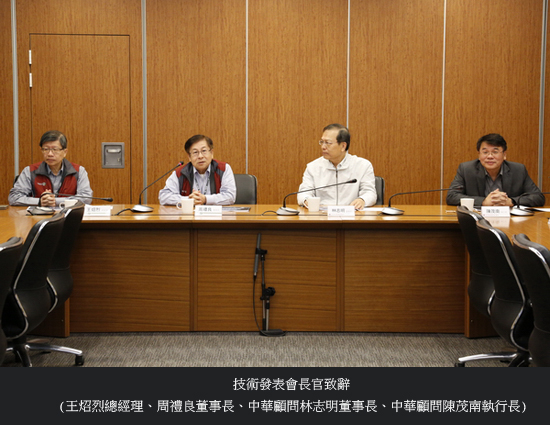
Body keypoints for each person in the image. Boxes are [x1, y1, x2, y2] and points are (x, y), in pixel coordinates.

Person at [446, 133, 545, 207]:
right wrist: (483, 201)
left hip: (511, 220)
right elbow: (452, 196)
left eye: (495, 152)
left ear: (504, 155)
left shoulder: (518, 170)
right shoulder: (466, 169)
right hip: (478, 220)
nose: (490, 156)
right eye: (485, 152)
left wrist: (511, 201)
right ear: (479, 155)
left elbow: (538, 197)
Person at [297, 123, 377, 210]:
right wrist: (307, 200)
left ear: (343, 146)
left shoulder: (363, 166)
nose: (323, 147)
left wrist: (362, 200)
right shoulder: (313, 167)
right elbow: (303, 193)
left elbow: (370, 193)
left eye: (328, 143)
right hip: (322, 215)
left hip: (352, 215)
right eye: (322, 142)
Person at [8, 130, 93, 206]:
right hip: (38, 216)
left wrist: (55, 201)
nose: (50, 154)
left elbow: (86, 198)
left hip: (69, 216)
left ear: (65, 152)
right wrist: (40, 201)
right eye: (46, 149)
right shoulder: (30, 171)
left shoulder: (78, 171)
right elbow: (14, 198)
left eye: (55, 149)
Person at [158, 134, 236, 205]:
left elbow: (230, 196)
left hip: (216, 215)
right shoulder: (180, 173)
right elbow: (164, 196)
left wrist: (205, 199)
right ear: (189, 157)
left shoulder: (223, 169)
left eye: (204, 151)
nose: (200, 156)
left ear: (212, 153)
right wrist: (189, 200)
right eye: (195, 152)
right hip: (189, 215)